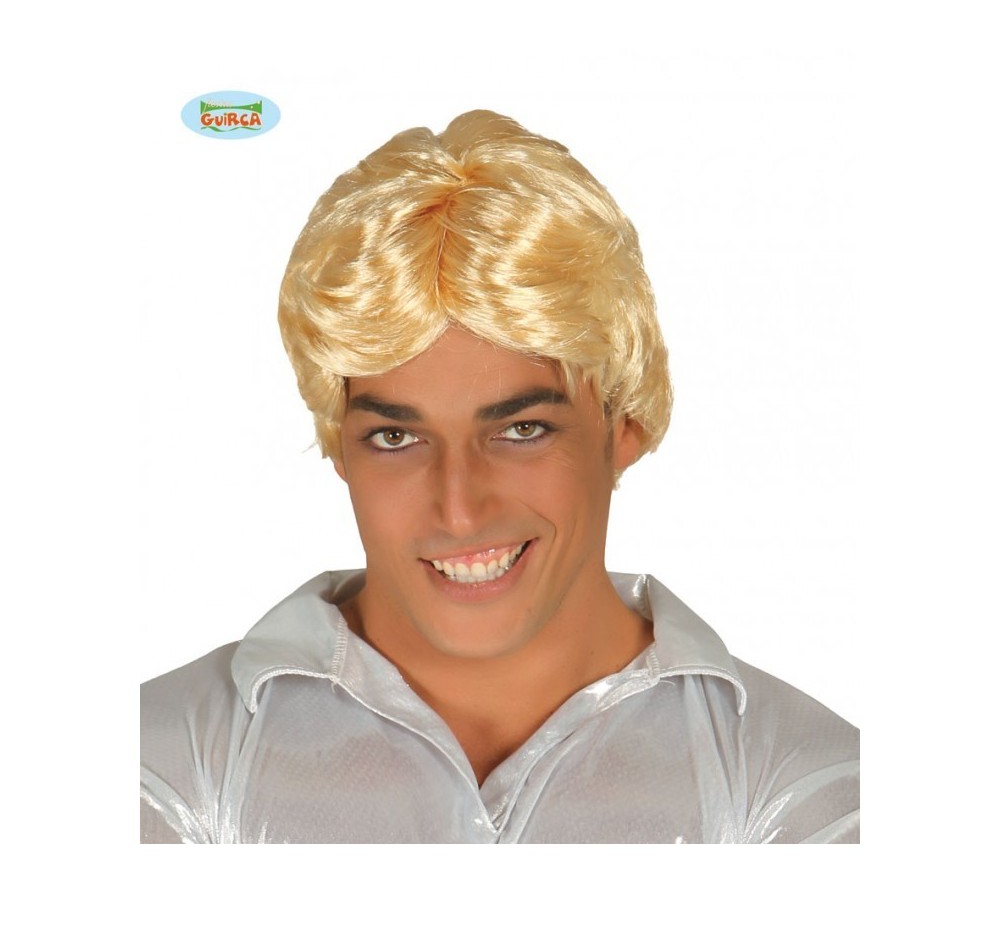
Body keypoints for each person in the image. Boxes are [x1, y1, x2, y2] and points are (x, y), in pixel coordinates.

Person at [140, 110, 860, 843]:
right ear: (339, 448)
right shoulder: (164, 772)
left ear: (626, 425)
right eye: (396, 437)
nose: (459, 508)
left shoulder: (802, 793)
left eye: (521, 431)